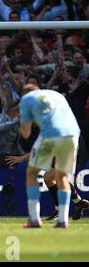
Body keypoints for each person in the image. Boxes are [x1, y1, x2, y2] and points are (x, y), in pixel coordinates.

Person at [19, 84, 81, 228]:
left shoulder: (27, 99)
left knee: (32, 173)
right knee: (62, 176)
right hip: (73, 135)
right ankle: (63, 221)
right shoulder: (56, 94)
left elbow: (26, 133)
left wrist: (23, 119)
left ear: (25, 94)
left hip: (50, 136)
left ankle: (34, 219)